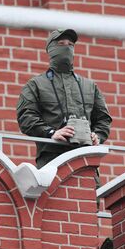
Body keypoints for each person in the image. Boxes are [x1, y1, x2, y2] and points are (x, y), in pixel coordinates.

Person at [16, 29, 112, 168]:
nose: (67, 47)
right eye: (61, 44)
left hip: (85, 161)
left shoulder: (89, 86)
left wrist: (97, 136)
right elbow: (26, 117)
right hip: (51, 160)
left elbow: (103, 119)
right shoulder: (36, 84)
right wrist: (51, 133)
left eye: (70, 44)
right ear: (51, 49)